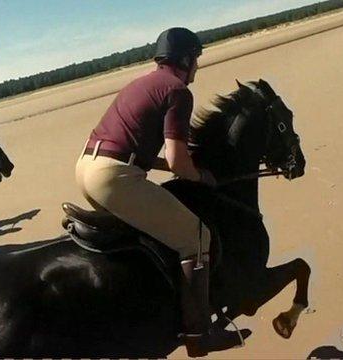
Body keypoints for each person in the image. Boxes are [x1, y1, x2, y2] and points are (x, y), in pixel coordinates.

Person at [75, 28, 240, 356]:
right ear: (185, 59)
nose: (197, 67)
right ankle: (198, 336)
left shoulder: (141, 83)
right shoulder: (178, 91)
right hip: (114, 177)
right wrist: (200, 176)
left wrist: (180, 168)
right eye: (196, 60)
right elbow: (179, 161)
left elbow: (145, 154)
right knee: (196, 238)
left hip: (87, 167)